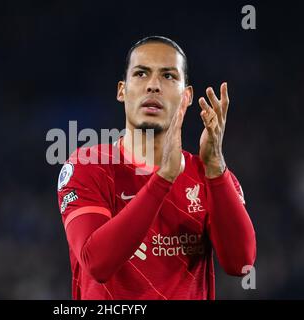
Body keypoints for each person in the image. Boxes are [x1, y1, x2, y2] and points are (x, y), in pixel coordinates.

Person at [56, 36, 256, 299]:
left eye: (169, 76)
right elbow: (97, 264)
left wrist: (216, 167)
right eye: (141, 73)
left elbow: (240, 264)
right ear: (122, 90)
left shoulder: (207, 174)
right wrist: (163, 179)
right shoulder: (88, 166)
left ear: (186, 96)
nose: (153, 86)